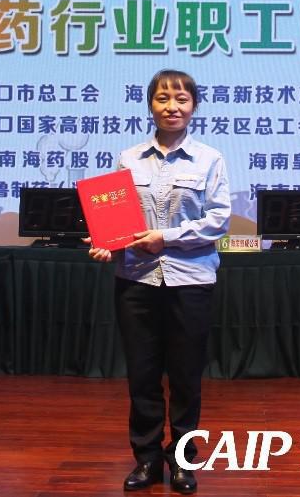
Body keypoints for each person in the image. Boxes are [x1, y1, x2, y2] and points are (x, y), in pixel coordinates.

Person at [88, 69, 231, 494]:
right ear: (150, 105)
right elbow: (117, 223)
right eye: (163, 98)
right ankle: (147, 459)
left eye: (181, 99)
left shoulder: (210, 159)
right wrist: (108, 246)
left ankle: (183, 461)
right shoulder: (128, 158)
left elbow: (218, 220)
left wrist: (164, 237)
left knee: (185, 378)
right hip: (136, 280)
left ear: (194, 106)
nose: (172, 107)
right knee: (143, 376)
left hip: (191, 280)